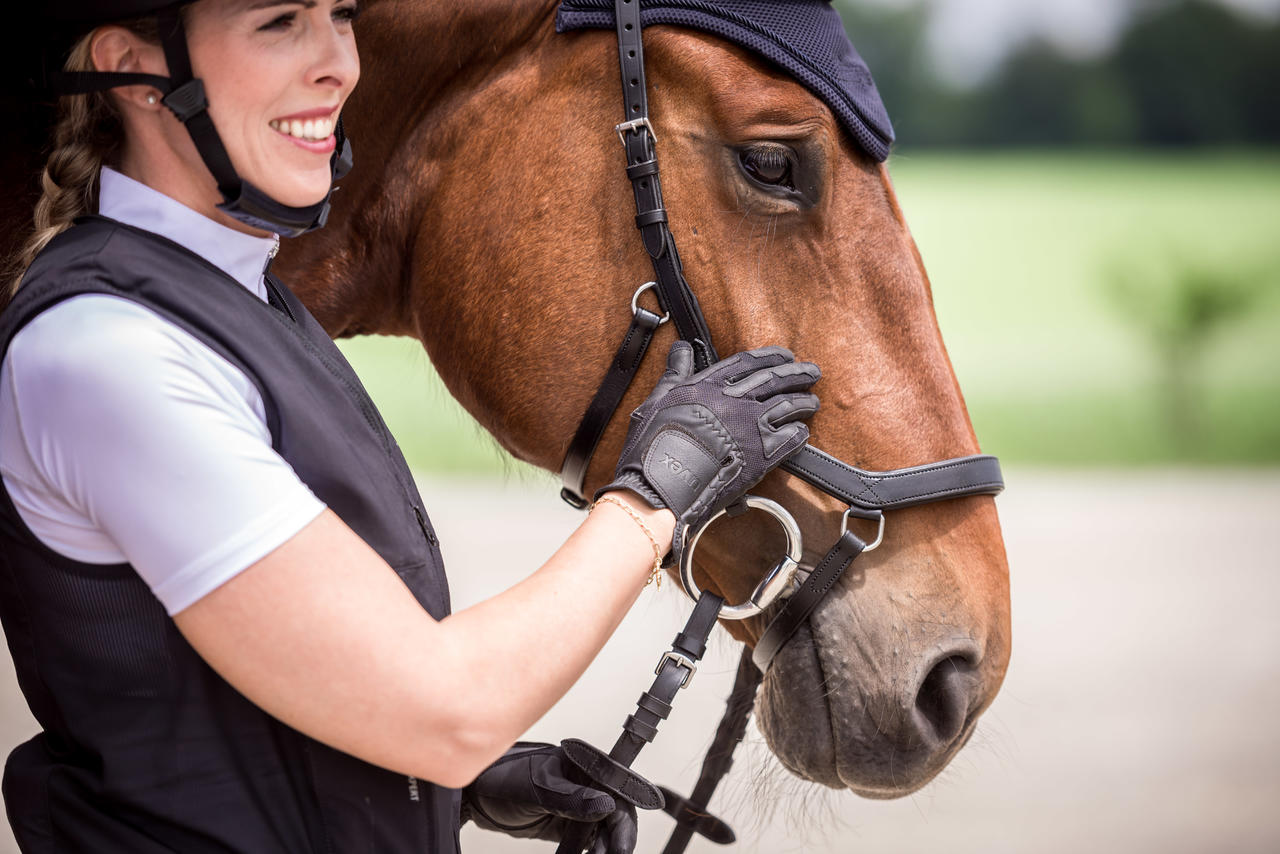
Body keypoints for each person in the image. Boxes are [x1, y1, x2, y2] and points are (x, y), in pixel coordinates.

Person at [0, 2, 820, 852]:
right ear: (134, 68)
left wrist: (443, 786)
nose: (337, 66)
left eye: (341, 16)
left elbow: (253, 681)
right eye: (280, 22)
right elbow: (445, 709)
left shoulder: (241, 295)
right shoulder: (110, 350)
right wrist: (654, 495)